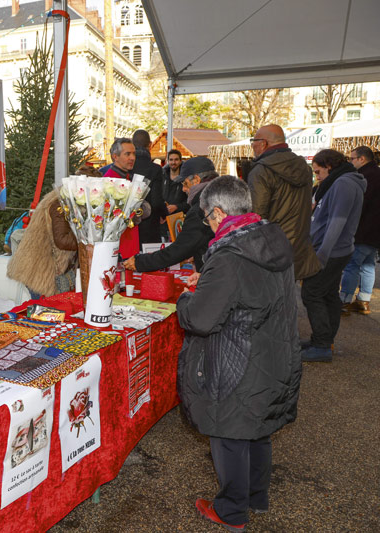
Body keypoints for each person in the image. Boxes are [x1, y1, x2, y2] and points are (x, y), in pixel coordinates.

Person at [176, 175, 301, 532]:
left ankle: (231, 509)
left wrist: (186, 298)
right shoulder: (270, 239)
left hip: (238, 358)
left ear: (217, 212)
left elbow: (200, 318)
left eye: (207, 218)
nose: (208, 226)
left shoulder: (229, 255)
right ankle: (255, 496)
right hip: (273, 352)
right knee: (258, 428)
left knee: (229, 432)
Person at [301, 149, 365, 362]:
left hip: (332, 251)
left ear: (329, 166)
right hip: (334, 250)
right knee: (327, 294)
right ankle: (323, 340)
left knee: (312, 293)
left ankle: (321, 345)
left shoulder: (343, 184)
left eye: (318, 172)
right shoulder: (340, 182)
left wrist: (322, 255)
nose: (317, 177)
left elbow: (338, 221)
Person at [247, 124, 320, 281]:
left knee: (272, 300)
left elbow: (256, 217)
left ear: (263, 143)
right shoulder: (304, 167)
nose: (252, 145)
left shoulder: (261, 171)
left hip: (274, 250)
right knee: (288, 297)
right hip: (300, 247)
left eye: (253, 141)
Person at [123, 157, 217, 273]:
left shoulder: (201, 208)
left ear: (196, 180)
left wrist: (141, 262)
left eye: (185, 183)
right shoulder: (219, 197)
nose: (183, 189)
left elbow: (179, 249)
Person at [7, 189, 77, 299]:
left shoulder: (56, 199)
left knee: (45, 310)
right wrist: (86, 241)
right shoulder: (59, 204)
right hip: (40, 270)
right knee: (45, 311)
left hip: (36, 265)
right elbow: (62, 240)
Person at [340, 146, 380, 315]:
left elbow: (360, 205)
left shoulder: (364, 176)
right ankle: (363, 300)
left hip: (362, 229)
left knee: (352, 265)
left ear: (362, 159)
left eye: (352, 158)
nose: (351, 161)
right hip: (375, 231)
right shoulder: (375, 174)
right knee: (368, 265)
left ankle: (345, 301)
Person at [103, 137, 145, 259]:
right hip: (119, 247)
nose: (132, 158)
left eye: (133, 154)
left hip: (129, 244)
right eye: (127, 154)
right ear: (115, 156)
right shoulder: (109, 180)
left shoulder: (126, 177)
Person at [131, 129, 167, 246]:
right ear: (150, 145)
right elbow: (157, 200)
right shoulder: (155, 169)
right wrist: (164, 214)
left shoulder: (127, 167)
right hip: (150, 225)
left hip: (128, 224)